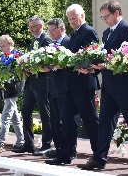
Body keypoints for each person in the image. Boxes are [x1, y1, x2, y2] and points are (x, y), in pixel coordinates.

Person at [76, 0, 128, 170]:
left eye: (106, 16)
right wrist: (92, 69)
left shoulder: (127, 29)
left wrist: (107, 65)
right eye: (102, 17)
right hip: (109, 85)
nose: (105, 20)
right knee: (105, 122)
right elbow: (105, 58)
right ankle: (99, 158)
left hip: (125, 85)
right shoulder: (106, 33)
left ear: (116, 12)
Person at [45, 4, 100, 165]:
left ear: (82, 16)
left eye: (73, 18)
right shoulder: (75, 34)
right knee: (68, 120)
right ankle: (66, 154)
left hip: (84, 83)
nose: (71, 22)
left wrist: (75, 63)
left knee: (90, 120)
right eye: (69, 19)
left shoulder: (88, 31)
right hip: (70, 84)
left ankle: (98, 154)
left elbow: (91, 55)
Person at [13, 15, 53, 156]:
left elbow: (48, 62)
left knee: (45, 113)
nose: (31, 30)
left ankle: (46, 143)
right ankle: (29, 143)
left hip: (43, 82)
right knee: (25, 111)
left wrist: (35, 67)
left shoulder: (47, 40)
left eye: (33, 27)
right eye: (29, 27)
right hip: (31, 82)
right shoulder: (33, 41)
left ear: (40, 26)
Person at [0, 34, 25, 153]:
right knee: (14, 118)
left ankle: (0, 143)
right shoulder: (2, 57)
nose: (1, 48)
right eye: (0, 46)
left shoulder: (17, 56)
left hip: (13, 88)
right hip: (6, 89)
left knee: (5, 117)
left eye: (2, 46)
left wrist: (5, 82)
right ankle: (21, 141)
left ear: (9, 44)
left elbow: (20, 75)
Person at [44, 18, 70, 158]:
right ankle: (59, 148)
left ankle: (67, 150)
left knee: (65, 121)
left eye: (53, 30)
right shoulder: (51, 45)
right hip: (52, 88)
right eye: (49, 31)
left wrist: (55, 66)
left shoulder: (68, 42)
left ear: (61, 28)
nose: (51, 33)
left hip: (64, 88)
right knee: (54, 121)